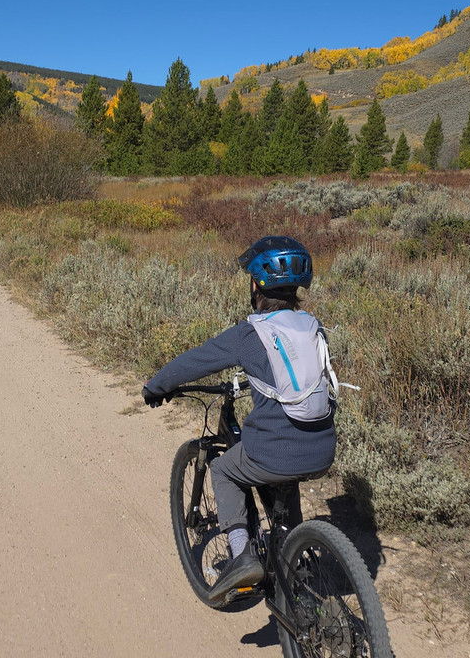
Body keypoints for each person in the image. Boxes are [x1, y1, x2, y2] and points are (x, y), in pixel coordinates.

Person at [143, 236, 337, 603]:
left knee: (224, 470)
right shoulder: (313, 327)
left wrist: (157, 386)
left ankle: (242, 556)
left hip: (275, 453)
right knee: (286, 474)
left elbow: (197, 359)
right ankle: (296, 560)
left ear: (255, 286)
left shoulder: (250, 334)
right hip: (323, 449)